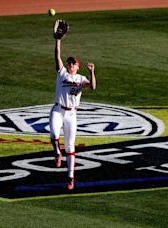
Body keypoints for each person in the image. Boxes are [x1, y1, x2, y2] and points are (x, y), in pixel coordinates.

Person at [50, 21, 97, 190]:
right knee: (54, 134)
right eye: (69, 62)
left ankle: (70, 177)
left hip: (71, 115)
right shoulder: (61, 73)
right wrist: (58, 40)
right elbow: (57, 56)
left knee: (70, 146)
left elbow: (92, 86)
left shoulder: (81, 79)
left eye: (73, 63)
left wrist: (92, 72)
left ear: (77, 67)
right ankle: (56, 152)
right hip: (58, 109)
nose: (70, 64)